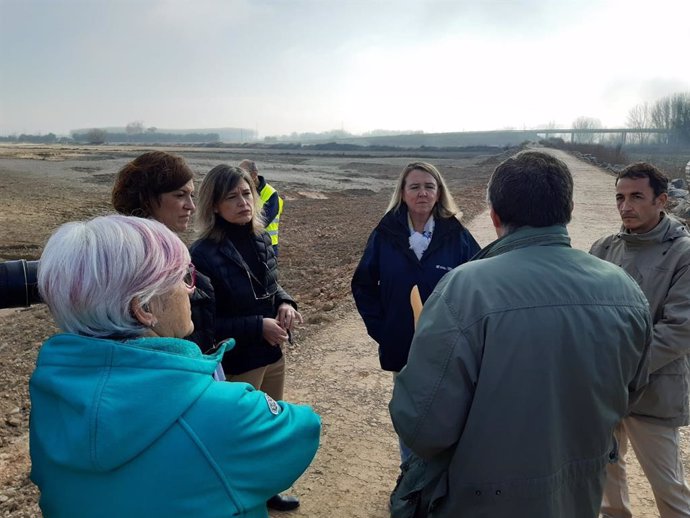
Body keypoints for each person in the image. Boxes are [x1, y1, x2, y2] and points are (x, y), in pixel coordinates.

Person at [389, 151, 652, 518]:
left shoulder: (465, 289)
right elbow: (631, 392)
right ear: (570, 210)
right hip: (579, 495)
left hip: (479, 499)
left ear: (494, 215)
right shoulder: (625, 290)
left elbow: (422, 426)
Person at [29, 215, 320, 518]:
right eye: (183, 277)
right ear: (144, 308)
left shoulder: (51, 398)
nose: (191, 290)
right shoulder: (226, 411)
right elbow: (304, 431)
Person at [190, 164, 304, 512]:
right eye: (232, 197)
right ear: (213, 205)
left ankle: (267, 491)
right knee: (240, 436)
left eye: (246, 194)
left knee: (269, 428)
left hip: (272, 354)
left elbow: (270, 285)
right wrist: (258, 325)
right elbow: (206, 326)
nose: (243, 202)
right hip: (238, 363)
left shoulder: (260, 238)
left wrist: (285, 303)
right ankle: (237, 500)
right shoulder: (202, 254)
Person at [351, 161, 480, 462]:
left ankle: (440, 478)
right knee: (411, 414)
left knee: (448, 411)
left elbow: (477, 283)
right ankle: (411, 477)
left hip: (447, 346)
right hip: (403, 346)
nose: (422, 193)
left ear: (439, 193)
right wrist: (383, 330)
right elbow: (363, 285)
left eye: (429, 186)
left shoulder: (456, 234)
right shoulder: (386, 233)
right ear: (403, 193)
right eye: (415, 187)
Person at [591, 162, 690, 518]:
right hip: (606, 389)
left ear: (662, 200)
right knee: (608, 483)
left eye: (636, 197)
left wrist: (624, 368)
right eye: (619, 197)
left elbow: (680, 329)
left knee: (669, 488)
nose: (625, 206)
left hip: (654, 387)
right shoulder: (603, 249)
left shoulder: (683, 253)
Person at [111, 151, 216, 354]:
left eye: (192, 195)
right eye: (179, 195)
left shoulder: (168, 251)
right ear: (146, 198)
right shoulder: (137, 260)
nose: (191, 206)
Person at [239, 159, 283, 255]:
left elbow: (262, 221)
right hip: (249, 243)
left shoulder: (271, 194)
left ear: (254, 175)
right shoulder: (244, 191)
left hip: (268, 245)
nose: (240, 178)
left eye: (243, 174)